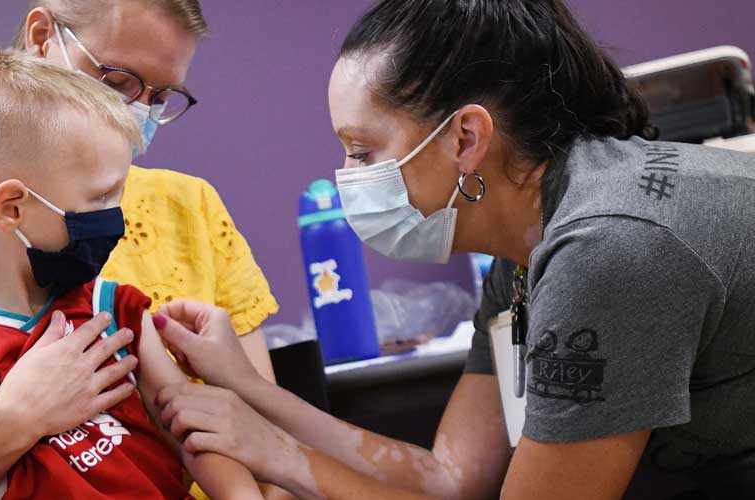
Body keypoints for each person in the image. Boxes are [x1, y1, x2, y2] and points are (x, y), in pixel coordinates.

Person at [151, 0, 755, 499]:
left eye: (362, 151)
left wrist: (279, 454)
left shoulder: (606, 248)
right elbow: (450, 478)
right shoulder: (526, 248)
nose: (347, 175)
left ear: (466, 137)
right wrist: (252, 392)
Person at [0, 2, 287, 500]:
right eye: (118, 81)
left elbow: (251, 445)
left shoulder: (123, 290)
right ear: (43, 34)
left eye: (162, 96)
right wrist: (11, 425)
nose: (137, 113)